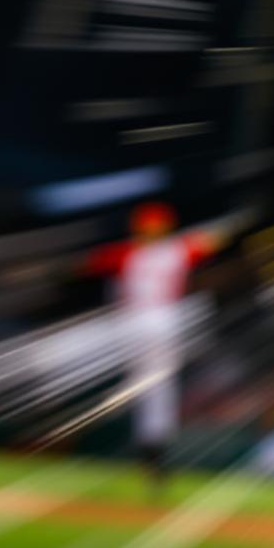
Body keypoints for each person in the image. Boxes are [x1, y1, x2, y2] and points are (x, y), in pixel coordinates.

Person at [82, 203, 224, 494]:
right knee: (155, 391)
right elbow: (209, 242)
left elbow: (90, 262)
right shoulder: (173, 250)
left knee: (151, 391)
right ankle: (152, 454)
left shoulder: (131, 253)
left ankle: (152, 454)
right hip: (154, 325)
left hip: (139, 325)